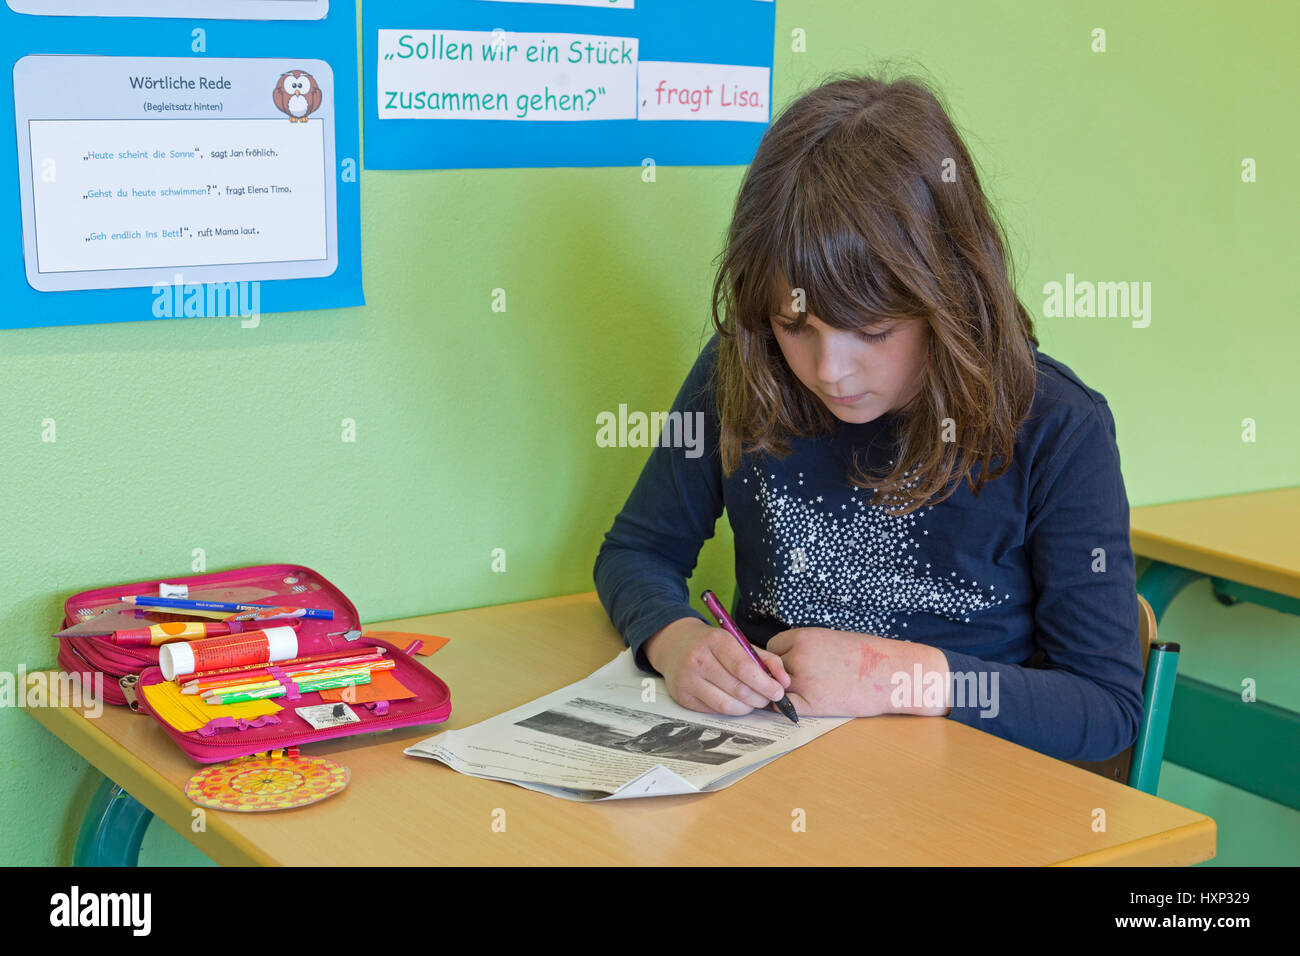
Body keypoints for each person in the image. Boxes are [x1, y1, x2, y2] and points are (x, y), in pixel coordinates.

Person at [592, 72, 1144, 763]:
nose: (830, 370)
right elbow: (637, 552)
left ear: (950, 295)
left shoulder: (1057, 426)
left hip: (968, 796)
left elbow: (1105, 706)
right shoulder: (742, 369)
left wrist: (891, 677)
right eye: (796, 326)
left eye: (873, 332)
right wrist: (674, 642)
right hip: (775, 776)